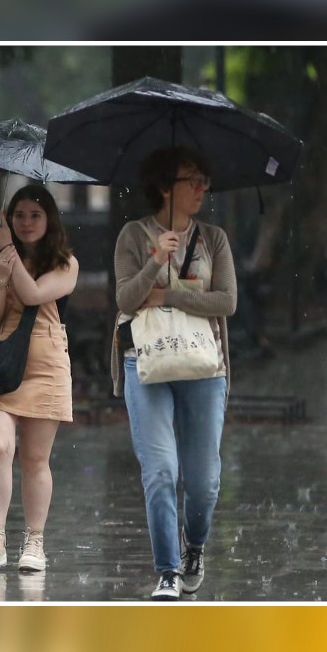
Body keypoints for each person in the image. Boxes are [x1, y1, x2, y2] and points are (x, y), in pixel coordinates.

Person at [112, 147, 236, 601]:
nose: (202, 188)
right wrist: (153, 262)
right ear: (165, 187)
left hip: (204, 365)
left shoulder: (214, 239)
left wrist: (168, 293)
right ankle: (167, 570)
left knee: (203, 482)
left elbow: (226, 302)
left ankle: (195, 546)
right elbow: (126, 300)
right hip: (145, 361)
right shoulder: (132, 234)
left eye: (204, 179)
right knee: (160, 470)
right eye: (192, 180)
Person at [0, 184, 78, 573]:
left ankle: (35, 541)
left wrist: (10, 256)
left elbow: (32, 295)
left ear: (49, 220)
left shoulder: (65, 263)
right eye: (19, 215)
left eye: (35, 214)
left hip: (45, 365)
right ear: (7, 219)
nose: (27, 222)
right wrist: (0, 272)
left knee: (35, 459)